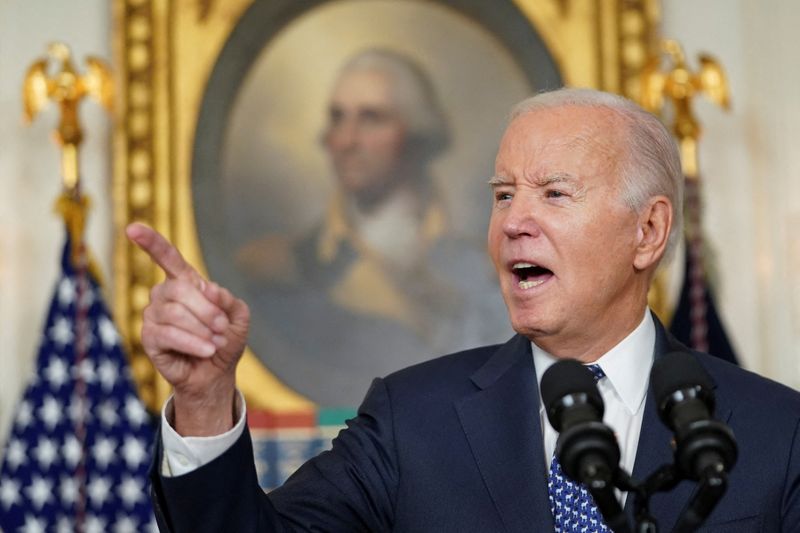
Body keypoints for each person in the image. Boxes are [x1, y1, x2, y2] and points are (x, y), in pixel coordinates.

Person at [128, 88, 800, 532]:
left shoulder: (779, 430)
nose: (514, 222)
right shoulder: (409, 420)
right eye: (503, 194)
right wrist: (208, 398)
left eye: (554, 193)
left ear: (648, 232)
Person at [233, 48, 510, 406]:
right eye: (337, 118)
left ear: (416, 135)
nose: (346, 140)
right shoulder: (277, 269)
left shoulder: (484, 268)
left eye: (371, 118)